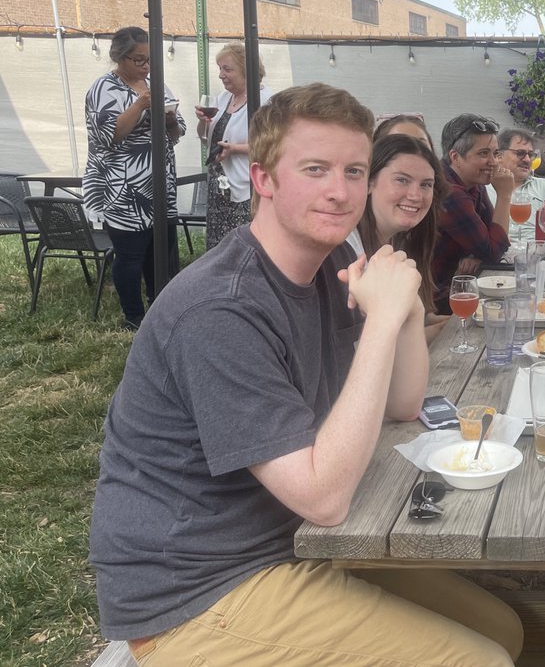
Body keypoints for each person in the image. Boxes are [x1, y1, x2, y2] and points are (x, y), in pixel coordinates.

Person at [89, 83, 522, 666]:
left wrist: (409, 306)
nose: (339, 191)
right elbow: (324, 499)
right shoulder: (220, 310)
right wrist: (381, 322)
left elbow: (401, 403)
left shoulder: (335, 264)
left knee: (504, 629)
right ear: (264, 178)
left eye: (353, 171)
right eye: (315, 169)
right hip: (195, 590)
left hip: (290, 543)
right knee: (479, 662)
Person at [83, 26, 185, 331]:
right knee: (130, 254)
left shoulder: (157, 84)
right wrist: (141, 104)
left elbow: (177, 132)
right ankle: (134, 316)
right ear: (120, 57)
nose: (145, 66)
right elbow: (109, 135)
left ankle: (160, 307)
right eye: (138, 59)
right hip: (123, 188)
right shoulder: (102, 89)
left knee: (161, 251)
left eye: (148, 59)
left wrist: (169, 120)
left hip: (159, 184)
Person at [349, 132, 453, 342]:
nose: (415, 196)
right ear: (370, 182)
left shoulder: (402, 241)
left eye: (426, 185)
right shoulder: (347, 249)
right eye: (402, 180)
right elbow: (356, 346)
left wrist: (453, 323)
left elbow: (413, 319)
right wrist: (438, 333)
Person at [430, 113, 514, 312]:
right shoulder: (449, 191)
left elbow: (494, 239)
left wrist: (475, 254)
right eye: (483, 153)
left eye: (495, 153)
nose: (493, 162)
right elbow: (493, 250)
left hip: (458, 285)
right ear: (455, 157)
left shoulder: (472, 182)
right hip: (436, 298)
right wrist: (504, 196)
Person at [194, 42, 273, 249]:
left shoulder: (265, 101)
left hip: (246, 187)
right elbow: (205, 138)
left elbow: (274, 144)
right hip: (219, 187)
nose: (221, 75)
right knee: (218, 246)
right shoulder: (222, 99)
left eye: (227, 69)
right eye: (219, 68)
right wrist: (203, 121)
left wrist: (235, 149)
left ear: (247, 70)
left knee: (243, 246)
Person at [487, 127, 545, 244]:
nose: (527, 159)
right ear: (499, 156)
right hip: (496, 253)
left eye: (531, 154)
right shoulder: (484, 188)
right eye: (520, 153)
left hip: (535, 253)